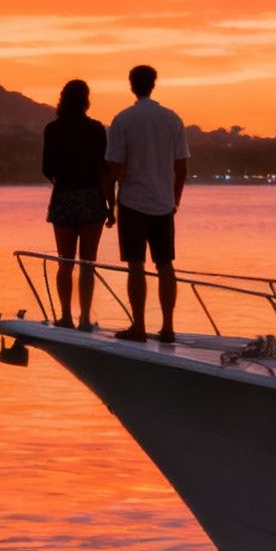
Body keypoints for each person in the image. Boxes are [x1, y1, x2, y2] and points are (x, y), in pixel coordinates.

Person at [103, 64, 188, 343]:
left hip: (132, 202)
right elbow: (181, 166)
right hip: (163, 204)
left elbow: (115, 167)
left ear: (132, 85)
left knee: (136, 265)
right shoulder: (172, 119)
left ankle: (138, 326)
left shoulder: (123, 120)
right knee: (165, 265)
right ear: (154, 84)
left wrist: (110, 201)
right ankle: (167, 327)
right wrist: (174, 199)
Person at [41, 79, 111, 329]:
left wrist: (63, 183)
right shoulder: (96, 129)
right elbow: (103, 170)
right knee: (87, 263)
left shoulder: (52, 129)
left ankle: (66, 317)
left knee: (65, 262)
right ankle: (84, 319)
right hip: (92, 199)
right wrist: (110, 207)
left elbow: (47, 169)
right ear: (86, 100)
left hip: (64, 198)